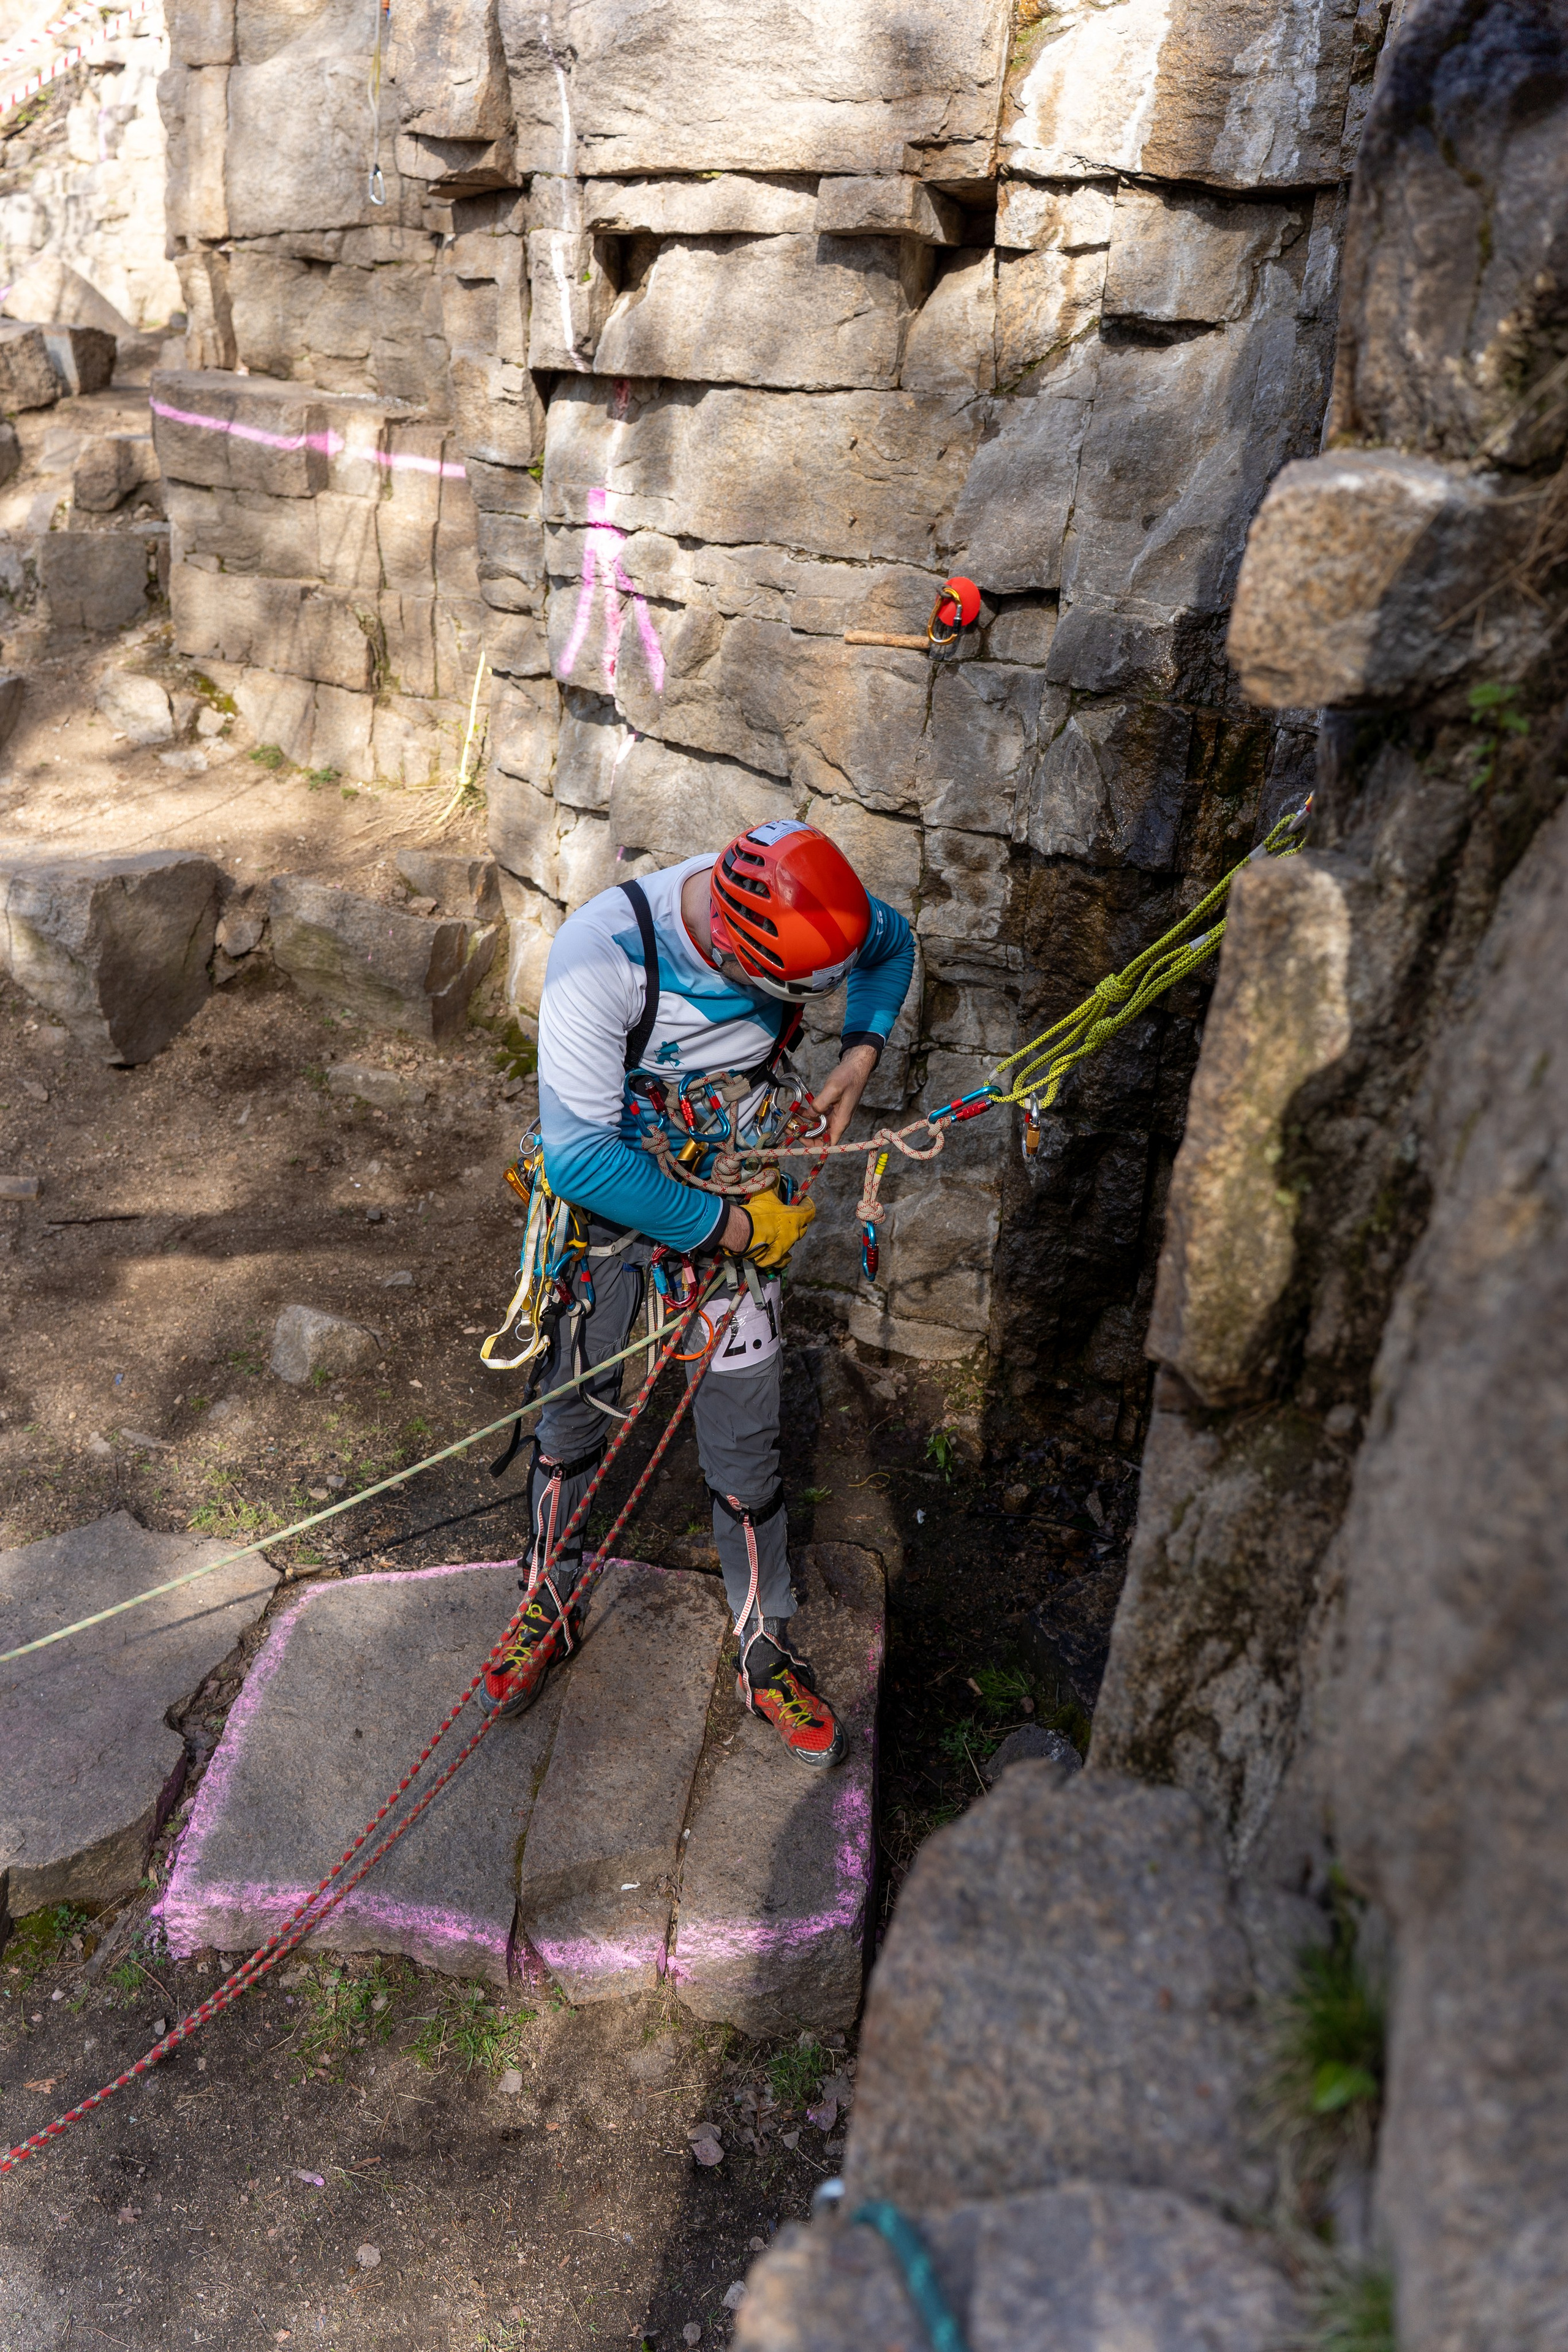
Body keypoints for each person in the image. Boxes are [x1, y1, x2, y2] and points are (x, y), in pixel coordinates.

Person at [480, 819, 914, 1765]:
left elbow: (892, 941)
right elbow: (585, 1157)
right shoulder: (602, 959)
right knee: (573, 1408)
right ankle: (545, 1593)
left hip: (733, 1172)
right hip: (621, 1201)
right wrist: (736, 1232)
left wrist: (860, 1055)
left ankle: (763, 1641)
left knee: (744, 1430)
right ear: (730, 945)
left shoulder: (804, 900)